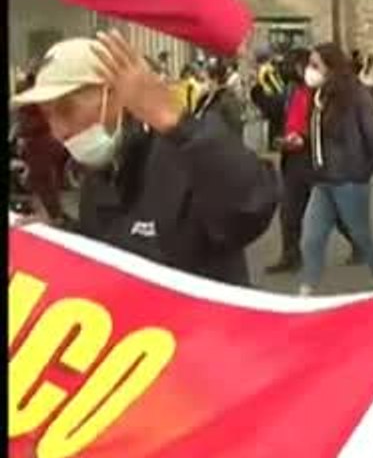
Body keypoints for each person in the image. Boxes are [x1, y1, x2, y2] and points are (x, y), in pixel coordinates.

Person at [12, 33, 278, 285]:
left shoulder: (184, 155)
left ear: (115, 93)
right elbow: (111, 248)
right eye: (48, 115)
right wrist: (63, 236)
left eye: (67, 109)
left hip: (205, 329)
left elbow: (250, 208)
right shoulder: (100, 171)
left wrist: (179, 124)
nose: (59, 131)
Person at [298, 43, 373, 296]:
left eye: (315, 65)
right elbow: (317, 136)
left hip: (350, 180)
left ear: (332, 68)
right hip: (322, 180)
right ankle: (307, 289)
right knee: (311, 238)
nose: (309, 71)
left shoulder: (357, 96)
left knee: (361, 236)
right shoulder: (318, 96)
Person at [266, 48, 362, 274]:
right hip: (293, 158)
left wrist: (305, 139)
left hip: (315, 157)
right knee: (289, 210)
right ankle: (290, 255)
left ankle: (359, 242)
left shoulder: (325, 93)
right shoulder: (293, 91)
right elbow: (281, 113)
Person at [13, 72, 71, 227]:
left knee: (42, 178)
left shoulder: (38, 102)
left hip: (42, 140)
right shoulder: (26, 103)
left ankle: (52, 215)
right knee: (36, 180)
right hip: (34, 141)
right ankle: (45, 212)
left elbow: (37, 121)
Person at [194, 59, 246, 141]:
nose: (203, 84)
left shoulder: (226, 99)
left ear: (215, 80)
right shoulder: (205, 98)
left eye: (206, 80)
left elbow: (236, 126)